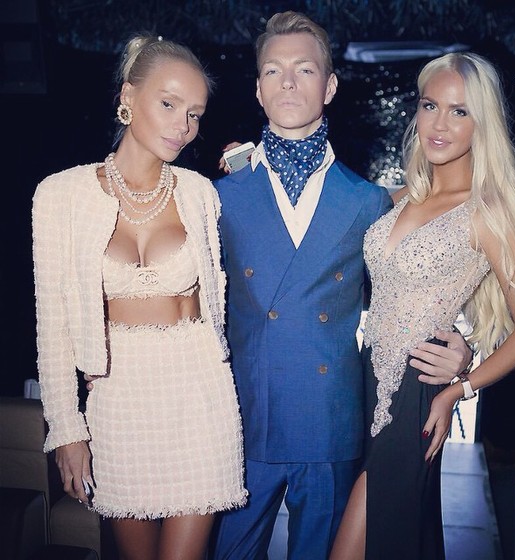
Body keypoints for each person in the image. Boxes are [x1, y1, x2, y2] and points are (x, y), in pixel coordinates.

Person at [208, 12, 473, 560]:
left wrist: (464, 354)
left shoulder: (369, 202)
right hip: (242, 417)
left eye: (304, 70)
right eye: (273, 70)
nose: (288, 82)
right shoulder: (218, 195)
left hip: (329, 420)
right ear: (257, 89)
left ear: (329, 86)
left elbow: (424, 278)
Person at [329, 51, 515, 560]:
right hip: (364, 381)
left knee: (361, 543)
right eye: (430, 105)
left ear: (483, 123)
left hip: (415, 390)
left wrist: (460, 387)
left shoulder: (489, 213)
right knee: (397, 536)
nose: (438, 124)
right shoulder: (399, 199)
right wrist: (256, 160)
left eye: (459, 111)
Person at [32, 34, 247, 560]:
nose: (183, 126)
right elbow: (53, 327)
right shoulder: (60, 195)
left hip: (199, 392)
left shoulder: (199, 193)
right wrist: (67, 430)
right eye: (169, 104)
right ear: (128, 96)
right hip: (119, 397)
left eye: (195, 114)